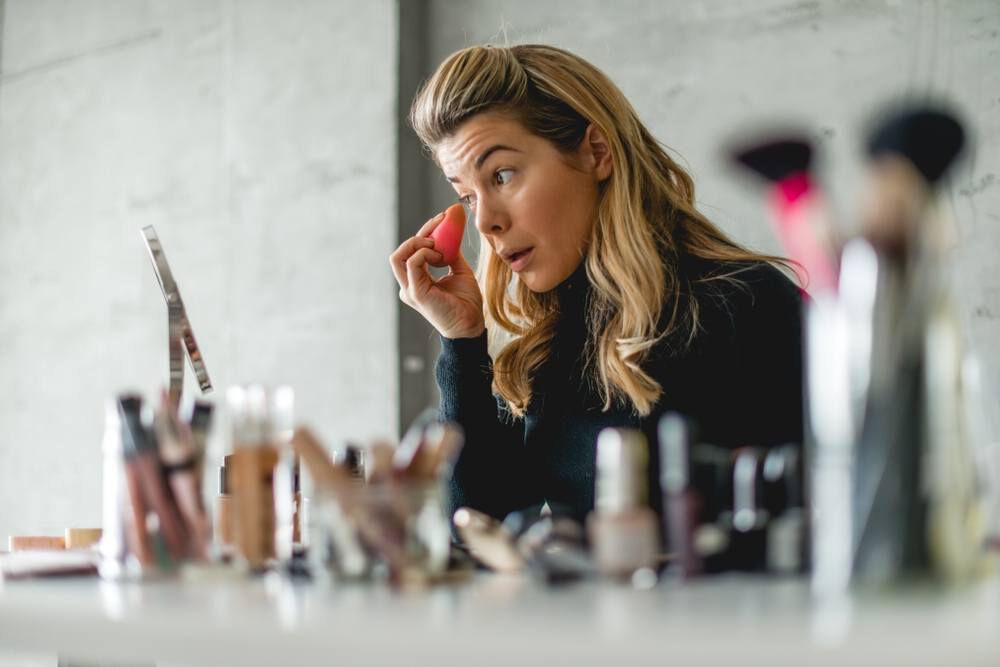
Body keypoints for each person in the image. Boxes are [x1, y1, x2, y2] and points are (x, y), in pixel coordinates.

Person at [390, 44, 803, 524]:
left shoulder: (747, 303)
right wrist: (462, 341)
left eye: (501, 175)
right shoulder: (554, 337)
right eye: (466, 194)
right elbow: (478, 522)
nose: (485, 222)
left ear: (596, 153)